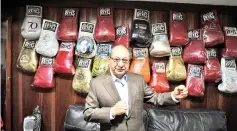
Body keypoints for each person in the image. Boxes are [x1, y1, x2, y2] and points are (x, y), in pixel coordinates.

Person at [83, 45, 188, 131]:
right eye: (116, 60)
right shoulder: (96, 83)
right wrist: (111, 111)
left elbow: (155, 98)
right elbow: (88, 113)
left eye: (125, 60)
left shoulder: (138, 80)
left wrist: (174, 95)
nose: (120, 64)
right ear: (109, 60)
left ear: (129, 62)